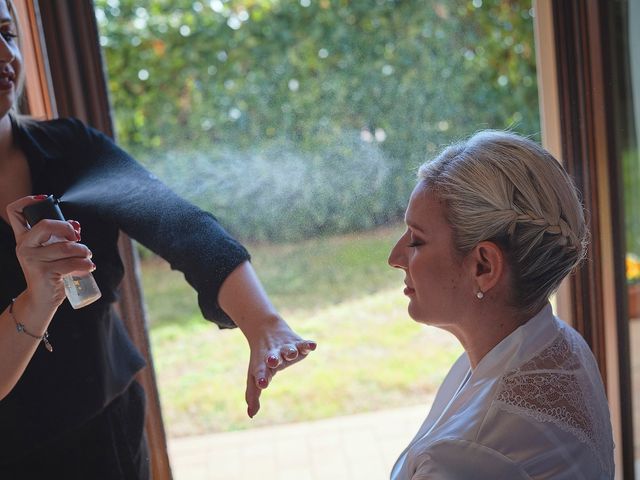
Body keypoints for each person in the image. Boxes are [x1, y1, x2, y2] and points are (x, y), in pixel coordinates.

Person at [0, 1, 315, 478]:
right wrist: (35, 301)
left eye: (6, 32)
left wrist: (264, 323)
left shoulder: (71, 147)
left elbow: (180, 225)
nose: (4, 53)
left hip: (109, 435)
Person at [388, 130, 614, 479]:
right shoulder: (561, 347)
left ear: (484, 266)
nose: (395, 257)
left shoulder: (466, 455)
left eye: (416, 240)